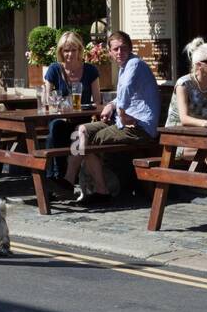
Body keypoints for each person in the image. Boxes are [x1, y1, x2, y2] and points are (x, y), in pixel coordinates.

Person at [52, 31, 161, 206]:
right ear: (109, 52)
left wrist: (123, 112)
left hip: (139, 127)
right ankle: (69, 179)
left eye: (123, 48)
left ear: (130, 48)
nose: (119, 52)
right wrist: (111, 105)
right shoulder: (125, 67)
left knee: (87, 141)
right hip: (125, 123)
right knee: (80, 130)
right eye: (115, 49)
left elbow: (125, 89)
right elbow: (125, 94)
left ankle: (100, 191)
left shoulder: (134, 64)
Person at [42, 31, 102, 187]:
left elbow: (97, 101)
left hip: (82, 119)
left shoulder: (90, 70)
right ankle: (53, 178)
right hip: (60, 118)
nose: (69, 54)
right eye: (66, 50)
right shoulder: (54, 69)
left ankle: (66, 179)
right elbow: (46, 98)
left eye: (73, 50)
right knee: (55, 129)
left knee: (78, 133)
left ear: (79, 50)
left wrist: (90, 111)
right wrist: (58, 104)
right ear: (61, 51)